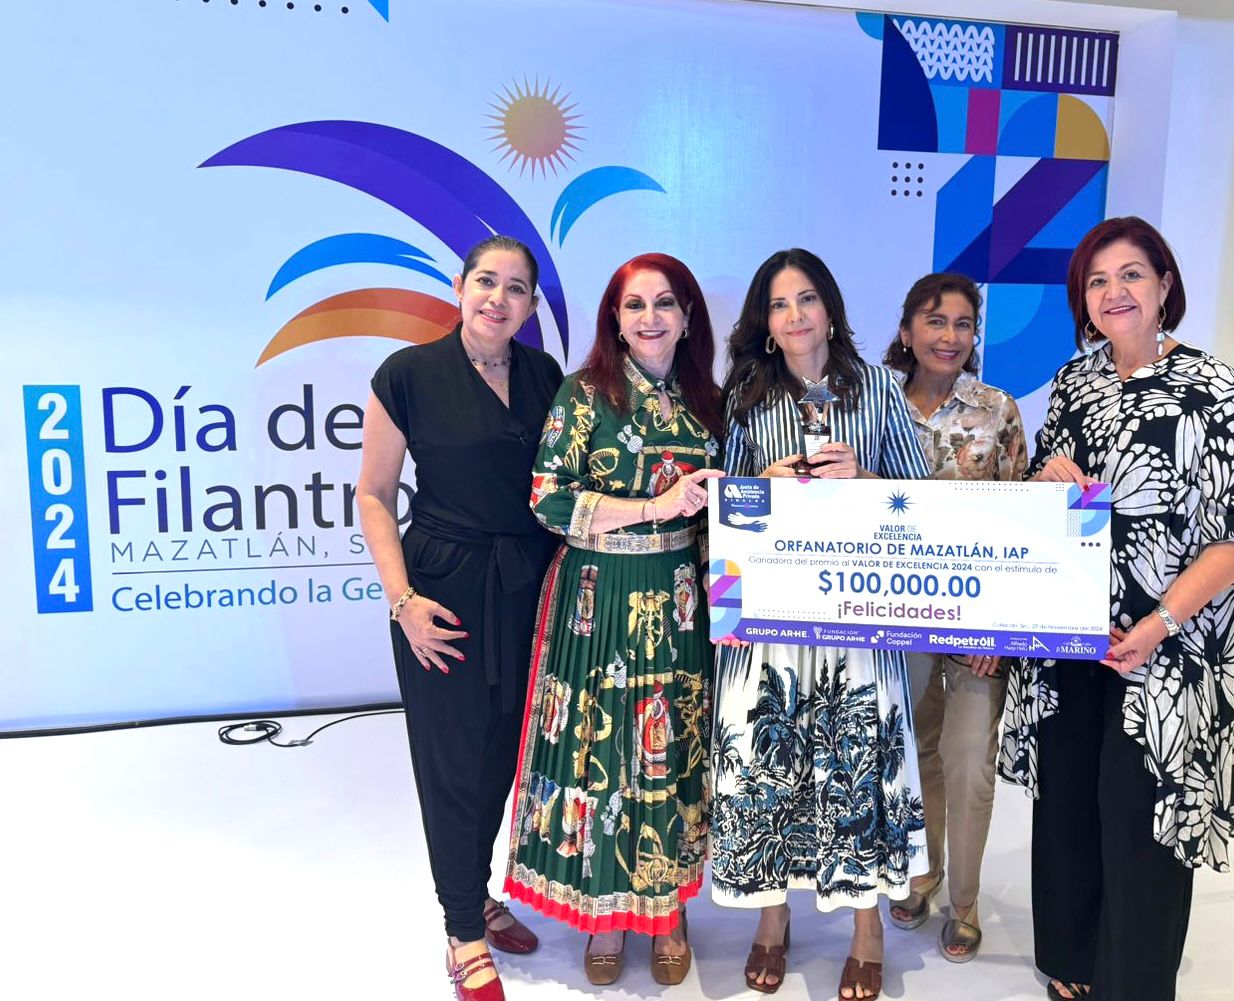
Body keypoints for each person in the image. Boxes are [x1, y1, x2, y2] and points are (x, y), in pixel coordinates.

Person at [999, 217, 1234, 1001]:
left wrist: (1160, 622)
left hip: (1165, 644)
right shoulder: (1076, 381)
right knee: (1069, 801)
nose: (1115, 291)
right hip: (1071, 635)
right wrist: (1045, 482)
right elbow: (1044, 498)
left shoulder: (1213, 389)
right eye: (1097, 281)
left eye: (1131, 274)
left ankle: (1132, 980)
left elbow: (1230, 540)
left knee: (1141, 815)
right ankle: (1073, 958)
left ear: (1164, 284)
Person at [710, 248, 930, 1000]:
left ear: (830, 309)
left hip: (856, 616)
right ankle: (772, 918)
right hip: (773, 616)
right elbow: (724, 509)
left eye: (806, 298)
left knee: (855, 762)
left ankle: (867, 927)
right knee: (768, 765)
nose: (795, 314)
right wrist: (759, 485)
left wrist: (861, 478)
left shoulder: (879, 389)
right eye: (779, 304)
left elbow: (919, 500)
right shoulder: (746, 395)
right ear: (765, 323)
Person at [504, 253, 723, 987]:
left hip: (680, 596)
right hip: (597, 595)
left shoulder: (710, 401)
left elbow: (727, 509)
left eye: (665, 304)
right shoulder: (584, 393)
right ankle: (604, 911)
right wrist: (654, 506)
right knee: (597, 749)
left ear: (687, 318)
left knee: (668, 752)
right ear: (615, 320)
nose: (650, 318)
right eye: (635, 305)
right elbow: (547, 497)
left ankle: (667, 912)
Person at [356, 236, 563, 1001]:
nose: (497, 298)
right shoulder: (408, 374)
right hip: (441, 591)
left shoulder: (545, 376)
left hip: (527, 587)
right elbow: (373, 493)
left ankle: (474, 892)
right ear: (459, 286)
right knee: (451, 763)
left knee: (503, 758)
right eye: (485, 281)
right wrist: (402, 601)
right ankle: (463, 930)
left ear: (531, 305)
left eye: (516, 287)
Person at [879, 274, 1027, 961]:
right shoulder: (874, 404)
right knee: (913, 751)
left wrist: (1002, 627)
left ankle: (964, 901)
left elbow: (1023, 523)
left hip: (978, 624)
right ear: (907, 329)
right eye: (935, 321)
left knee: (968, 759)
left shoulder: (998, 410)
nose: (949, 336)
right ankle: (921, 873)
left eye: (963, 323)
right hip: (894, 614)